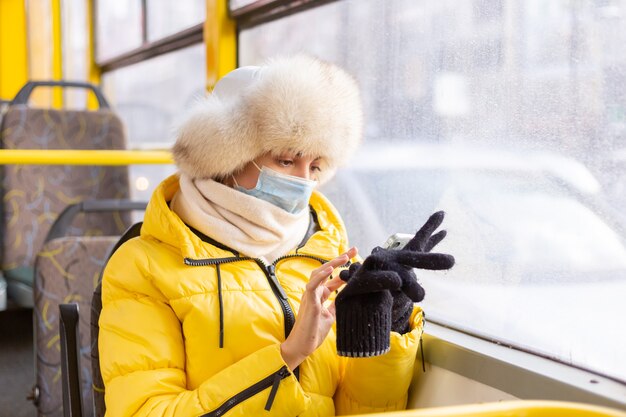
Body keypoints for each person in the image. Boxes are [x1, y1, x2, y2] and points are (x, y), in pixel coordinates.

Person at [99, 55, 431, 417]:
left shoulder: (327, 250)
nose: (304, 181)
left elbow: (359, 407)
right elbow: (144, 411)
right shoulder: (142, 268)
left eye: (316, 166)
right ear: (226, 157)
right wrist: (288, 355)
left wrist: (387, 326)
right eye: (287, 161)